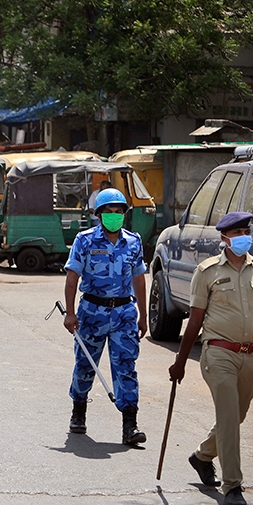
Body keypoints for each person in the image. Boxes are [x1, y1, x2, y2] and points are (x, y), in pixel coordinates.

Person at [168, 211, 253, 505]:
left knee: (236, 417)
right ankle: (233, 485)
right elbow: (195, 320)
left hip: (249, 355)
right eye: (236, 233)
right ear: (224, 238)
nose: (243, 238)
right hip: (217, 353)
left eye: (246, 232)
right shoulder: (207, 271)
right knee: (228, 416)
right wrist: (181, 361)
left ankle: (201, 456)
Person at [62, 188, 148, 445]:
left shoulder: (134, 241)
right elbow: (72, 277)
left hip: (123, 313)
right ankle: (79, 410)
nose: (114, 216)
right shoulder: (85, 240)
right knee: (85, 365)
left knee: (126, 367)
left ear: (124, 214)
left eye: (118, 212)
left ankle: (130, 424)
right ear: (99, 215)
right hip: (91, 312)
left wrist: (143, 315)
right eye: (108, 212)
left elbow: (139, 279)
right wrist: (69, 313)